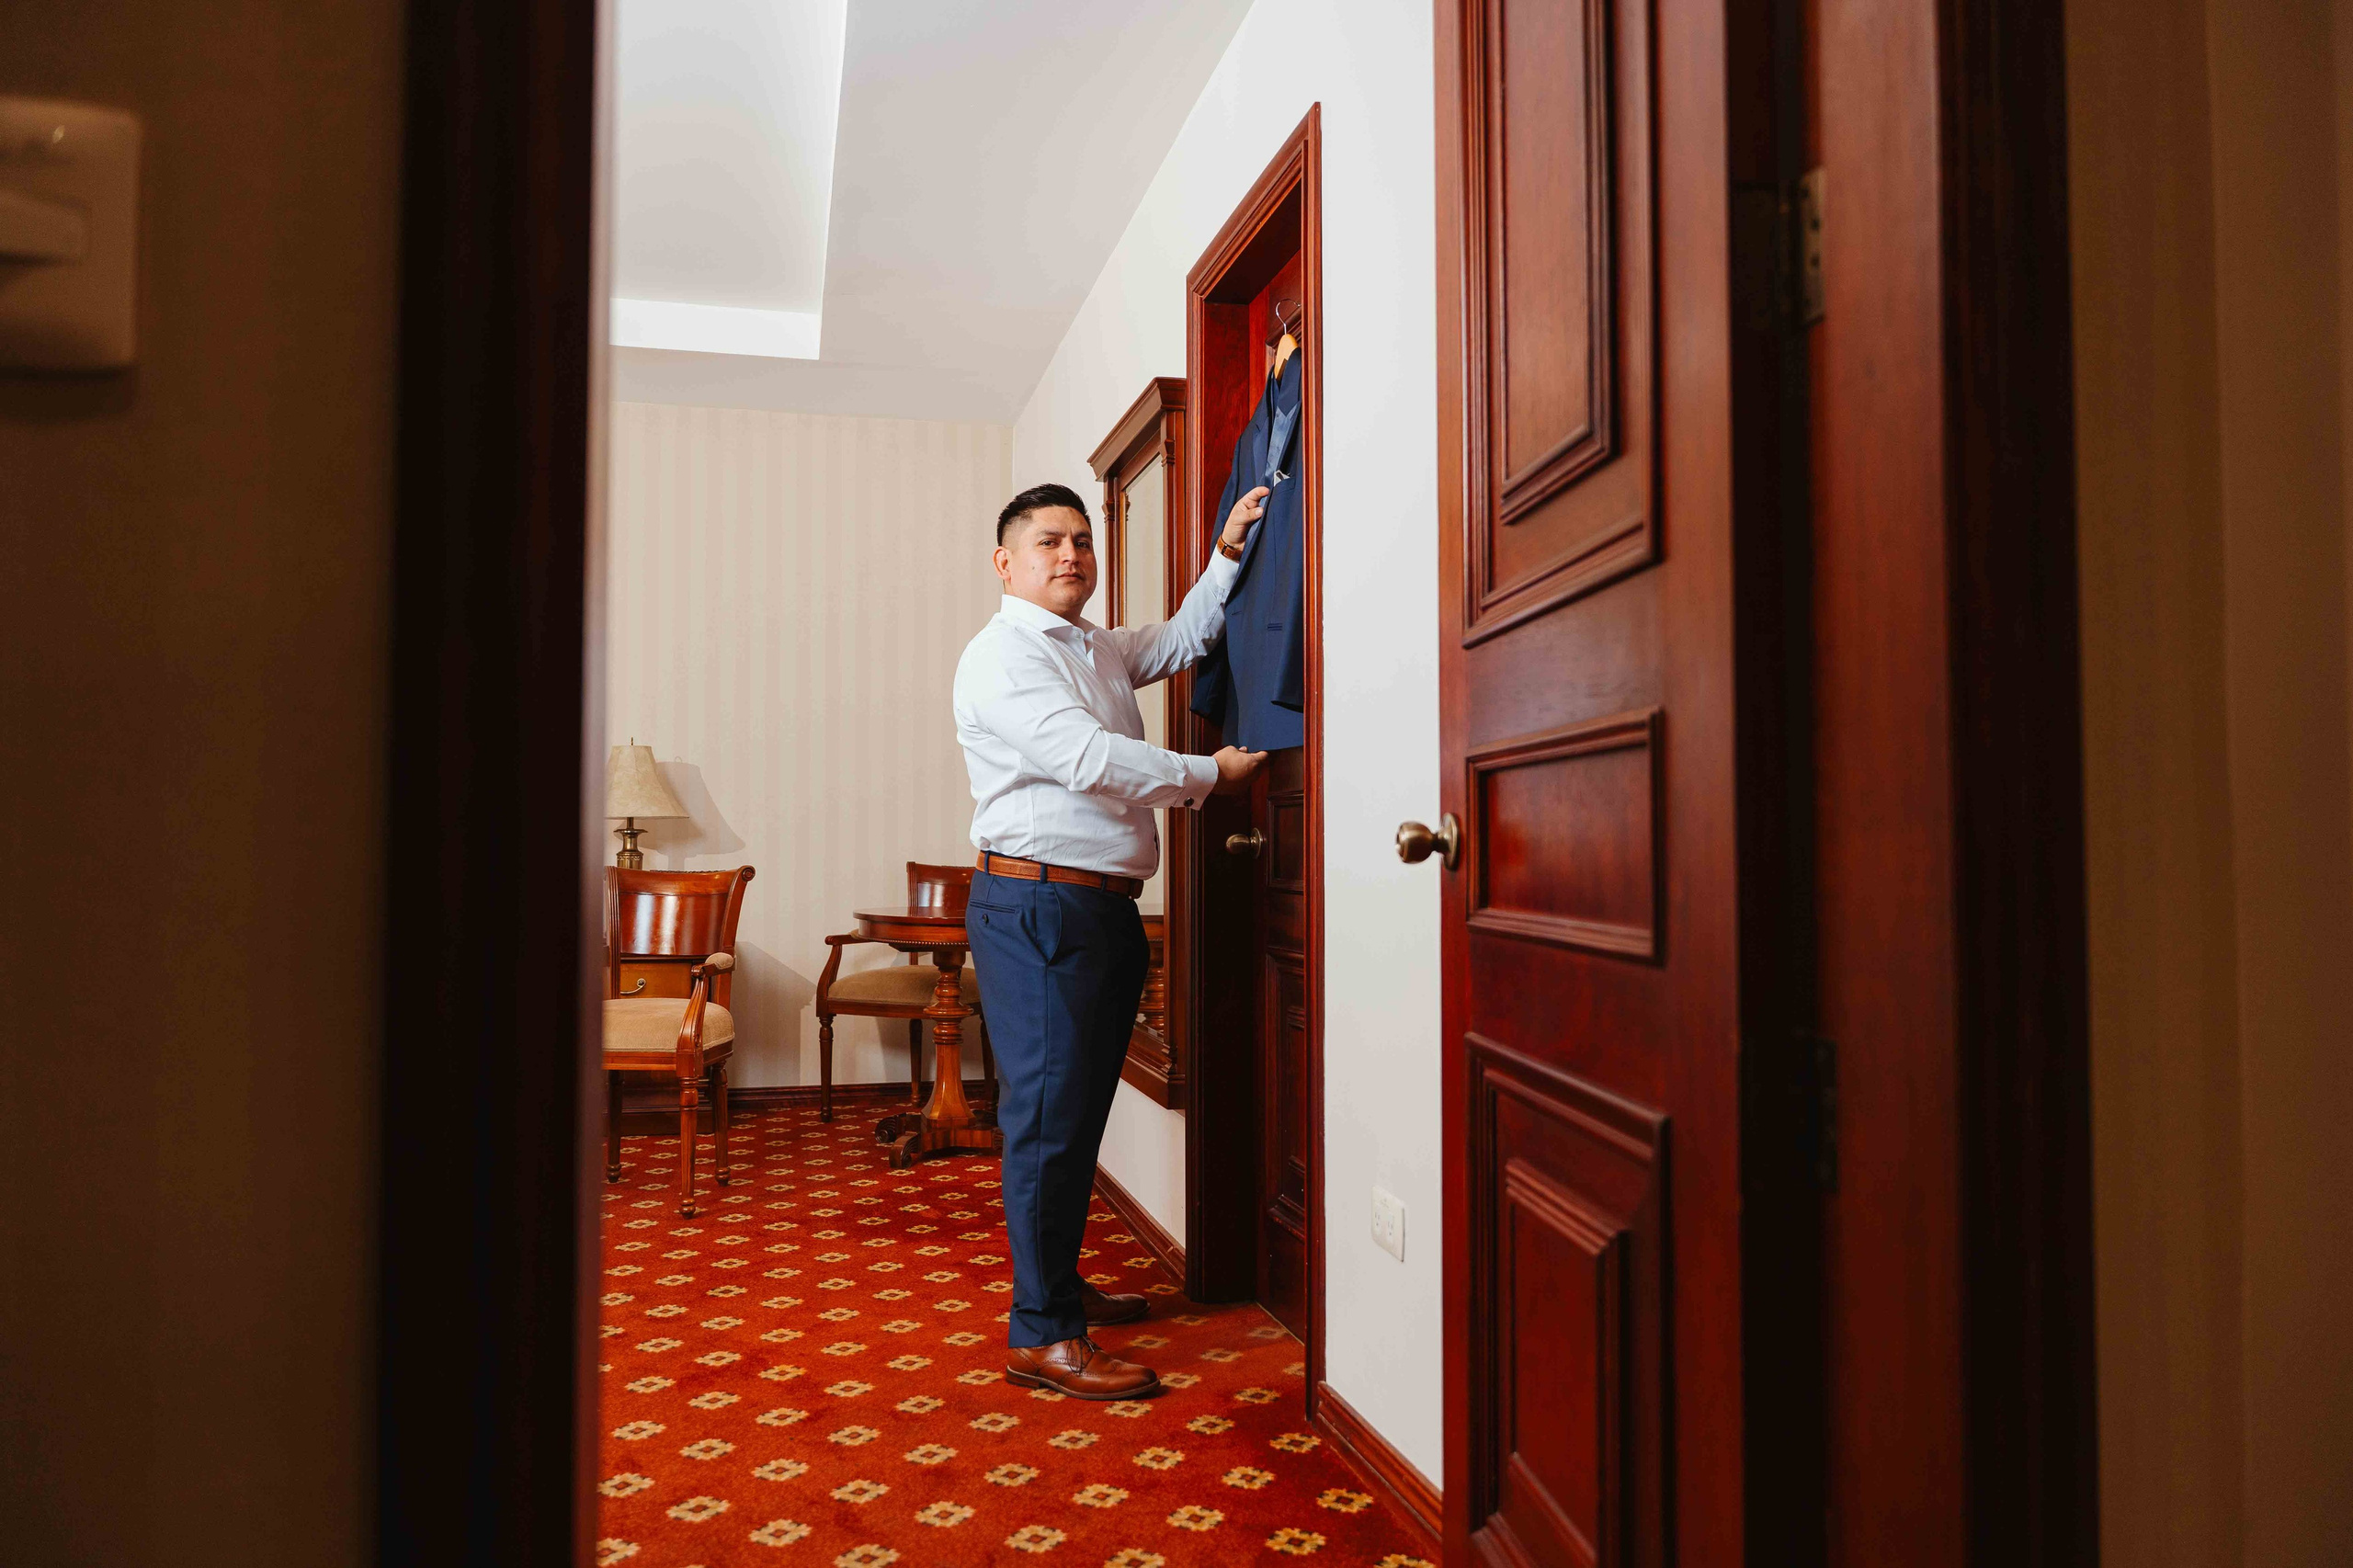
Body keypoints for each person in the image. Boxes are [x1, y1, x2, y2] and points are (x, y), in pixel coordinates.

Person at [953, 478, 1270, 1399]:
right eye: (1049, 541)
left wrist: (1224, 555)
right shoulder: (1003, 657)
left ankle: (1056, 1287)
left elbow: (1177, 639)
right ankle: (1041, 1334)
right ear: (1005, 562)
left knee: (1074, 1116)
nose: (1070, 555)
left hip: (1095, 910)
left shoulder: (1089, 645)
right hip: (1037, 911)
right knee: (1048, 1123)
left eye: (1082, 541)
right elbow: (1087, 759)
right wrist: (1206, 773)